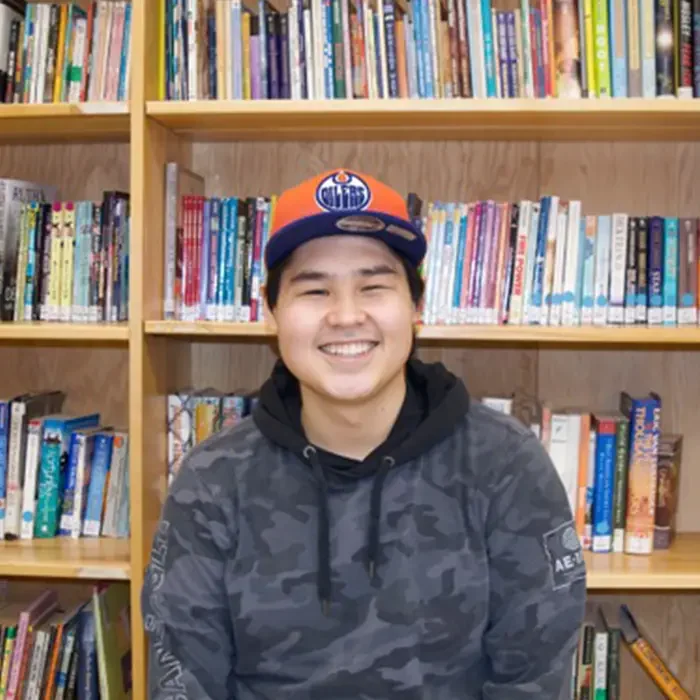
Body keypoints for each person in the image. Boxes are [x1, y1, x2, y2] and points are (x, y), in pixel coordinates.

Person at [141, 168, 587, 699]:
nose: (346, 316)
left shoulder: (506, 465)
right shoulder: (212, 480)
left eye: (373, 286)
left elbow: (532, 678)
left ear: (416, 308)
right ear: (272, 314)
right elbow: (182, 682)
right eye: (314, 290)